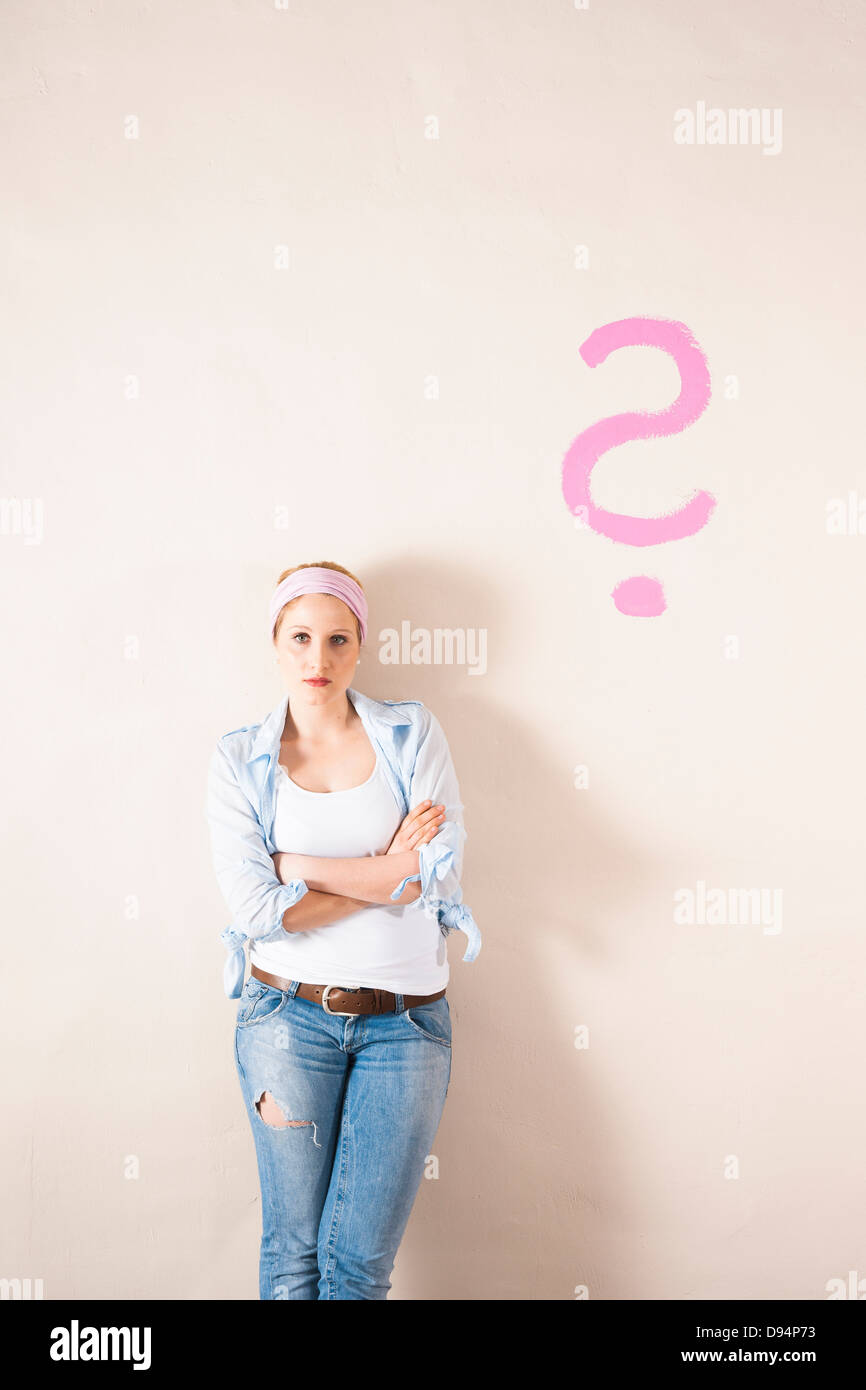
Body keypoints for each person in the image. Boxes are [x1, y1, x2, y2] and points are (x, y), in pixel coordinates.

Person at [206, 561, 481, 1299]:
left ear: (360, 643)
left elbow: (433, 878)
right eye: (300, 637)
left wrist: (295, 864)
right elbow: (260, 913)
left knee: (359, 1267)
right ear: (275, 642)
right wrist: (384, 865)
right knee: (294, 1255)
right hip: (286, 1021)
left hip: (408, 1028)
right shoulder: (239, 760)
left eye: (336, 639)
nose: (317, 659)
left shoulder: (409, 732)